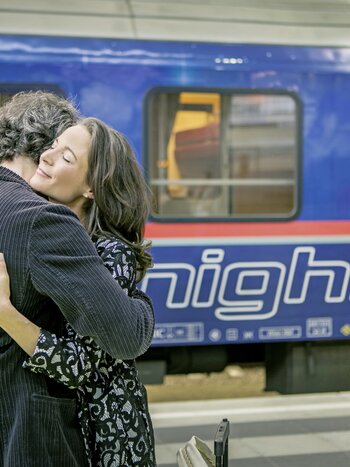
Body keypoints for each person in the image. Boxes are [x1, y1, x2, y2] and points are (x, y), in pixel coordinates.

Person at [0, 92, 155, 466]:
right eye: (51, 146)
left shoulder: (108, 253)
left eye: (66, 156)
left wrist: (6, 313)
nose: (47, 156)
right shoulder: (50, 226)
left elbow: (83, 366)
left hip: (108, 433)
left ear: (92, 187)